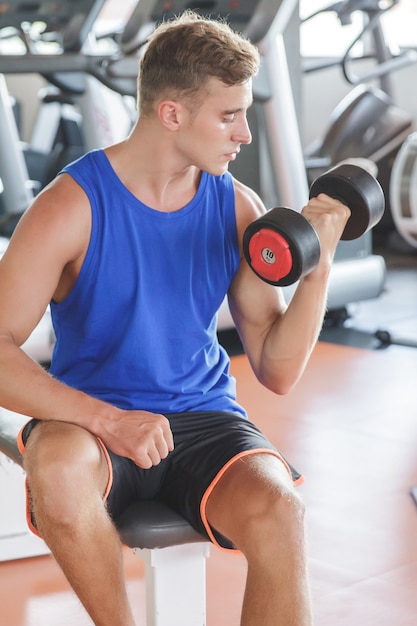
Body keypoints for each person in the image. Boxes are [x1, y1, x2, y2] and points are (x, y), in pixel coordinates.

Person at [0, 11, 350, 626]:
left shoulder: (238, 206)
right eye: (229, 115)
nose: (243, 134)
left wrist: (318, 268)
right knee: (55, 467)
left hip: (203, 417)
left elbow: (277, 366)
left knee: (281, 513)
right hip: (92, 423)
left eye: (245, 113)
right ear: (172, 114)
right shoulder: (70, 208)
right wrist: (110, 422)